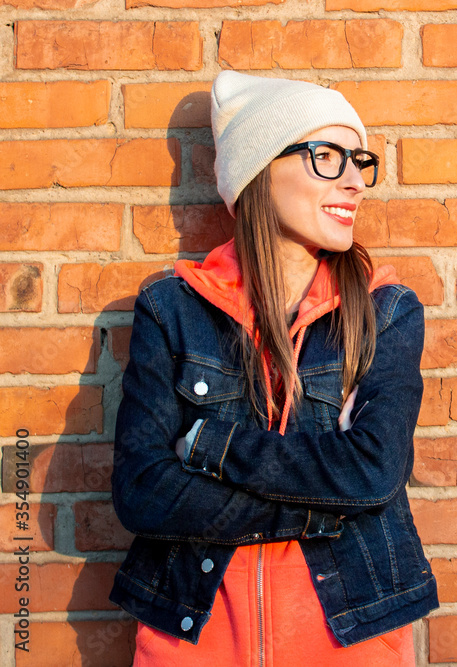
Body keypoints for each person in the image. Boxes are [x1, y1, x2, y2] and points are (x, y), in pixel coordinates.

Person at [109, 71, 438, 666]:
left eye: (359, 160)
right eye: (327, 156)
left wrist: (208, 445)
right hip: (195, 637)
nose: (354, 181)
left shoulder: (386, 312)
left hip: (351, 637)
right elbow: (143, 493)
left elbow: (374, 472)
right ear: (259, 168)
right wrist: (322, 507)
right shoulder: (174, 310)